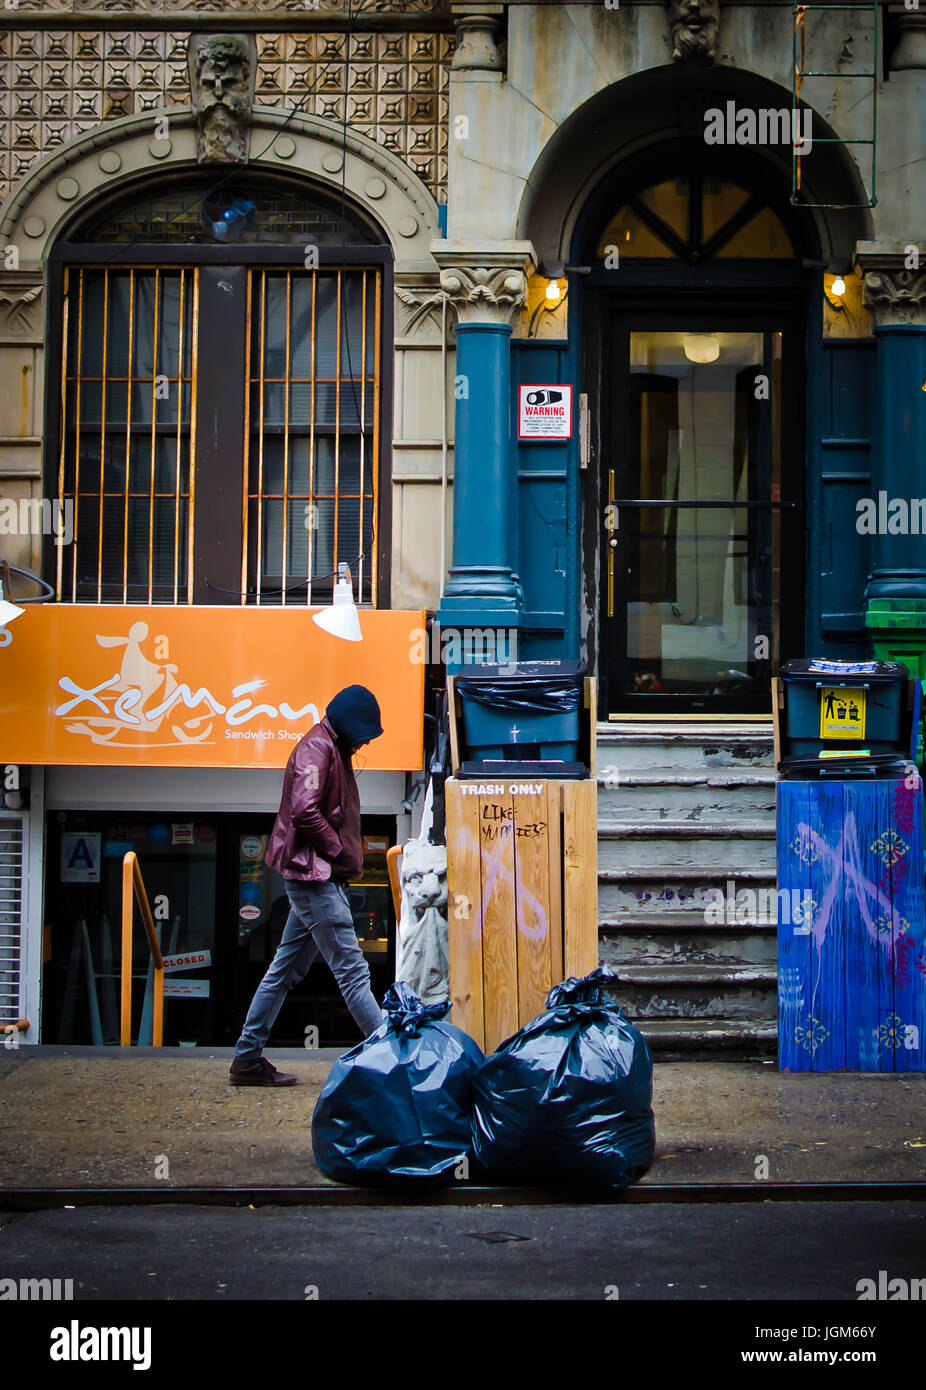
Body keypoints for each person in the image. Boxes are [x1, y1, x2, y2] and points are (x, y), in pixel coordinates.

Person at [229, 685, 386, 1086]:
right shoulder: (317, 749)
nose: (368, 738)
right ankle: (395, 1064)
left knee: (282, 972)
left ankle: (247, 1058)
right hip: (316, 879)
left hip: (314, 877)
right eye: (366, 730)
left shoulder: (329, 747)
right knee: (352, 972)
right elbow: (304, 811)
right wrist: (336, 852)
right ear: (349, 723)